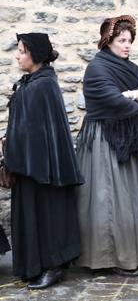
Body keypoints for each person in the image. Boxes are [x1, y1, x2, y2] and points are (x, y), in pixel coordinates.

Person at [76, 15, 138, 276]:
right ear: (108, 41)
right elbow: (115, 102)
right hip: (104, 139)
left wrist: (136, 94)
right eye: (121, 40)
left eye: (129, 41)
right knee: (110, 199)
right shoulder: (97, 68)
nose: (127, 46)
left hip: (129, 138)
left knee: (132, 197)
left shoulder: (128, 66)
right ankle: (111, 257)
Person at [4, 33, 83, 289]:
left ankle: (53, 266)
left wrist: (15, 151)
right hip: (28, 166)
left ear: (35, 54)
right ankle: (33, 266)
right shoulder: (30, 83)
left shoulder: (43, 85)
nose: (17, 55)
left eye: (22, 50)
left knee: (48, 216)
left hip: (43, 169)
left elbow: (39, 133)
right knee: (32, 216)